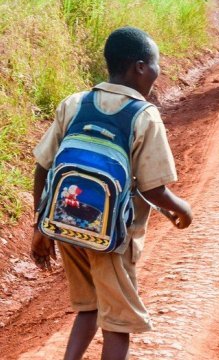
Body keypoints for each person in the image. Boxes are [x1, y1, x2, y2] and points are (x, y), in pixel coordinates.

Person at [30, 27, 193, 360]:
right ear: (140, 67)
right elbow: (154, 188)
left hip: (67, 226)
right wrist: (183, 208)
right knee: (118, 323)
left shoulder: (75, 103)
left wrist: (40, 224)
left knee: (88, 307)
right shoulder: (144, 116)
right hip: (112, 238)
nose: (158, 72)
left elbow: (43, 167)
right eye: (156, 63)